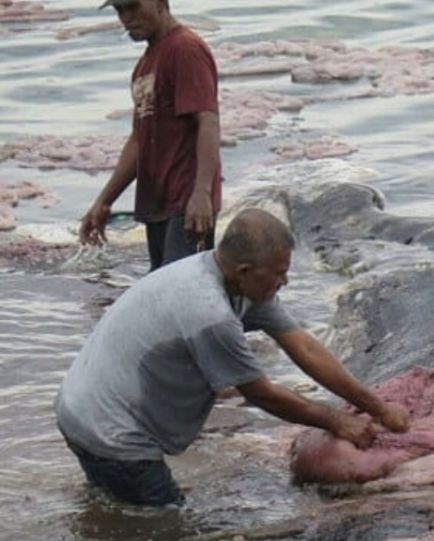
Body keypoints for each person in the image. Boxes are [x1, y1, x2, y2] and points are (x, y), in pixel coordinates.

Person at [56, 208, 410, 507]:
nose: (285, 281)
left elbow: (305, 347)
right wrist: (336, 421)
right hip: (111, 430)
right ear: (244, 271)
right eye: (279, 272)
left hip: (80, 408)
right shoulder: (210, 314)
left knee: (111, 509)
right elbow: (260, 393)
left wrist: (375, 406)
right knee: (173, 533)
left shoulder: (228, 278)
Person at [79, 0, 221, 270]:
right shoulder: (144, 65)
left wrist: (202, 194)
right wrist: (104, 201)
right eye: (120, 10)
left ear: (160, 3)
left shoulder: (186, 49)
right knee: (161, 290)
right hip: (157, 204)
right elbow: (138, 141)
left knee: (179, 295)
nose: (126, 18)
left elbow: (208, 121)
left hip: (187, 204)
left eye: (133, 7)